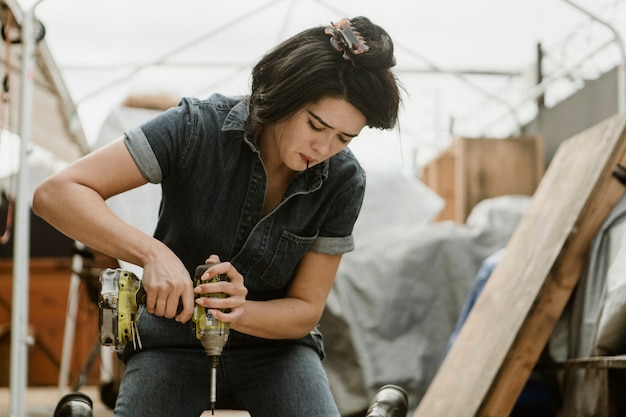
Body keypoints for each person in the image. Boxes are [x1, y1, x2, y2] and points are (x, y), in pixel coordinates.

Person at [33, 16, 401, 417]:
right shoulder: (195, 127)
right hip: (172, 343)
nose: (325, 147)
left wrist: (240, 311)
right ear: (284, 95)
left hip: (276, 351)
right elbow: (56, 193)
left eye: (345, 138)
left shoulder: (344, 179)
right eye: (316, 125)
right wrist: (153, 254)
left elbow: (305, 310)